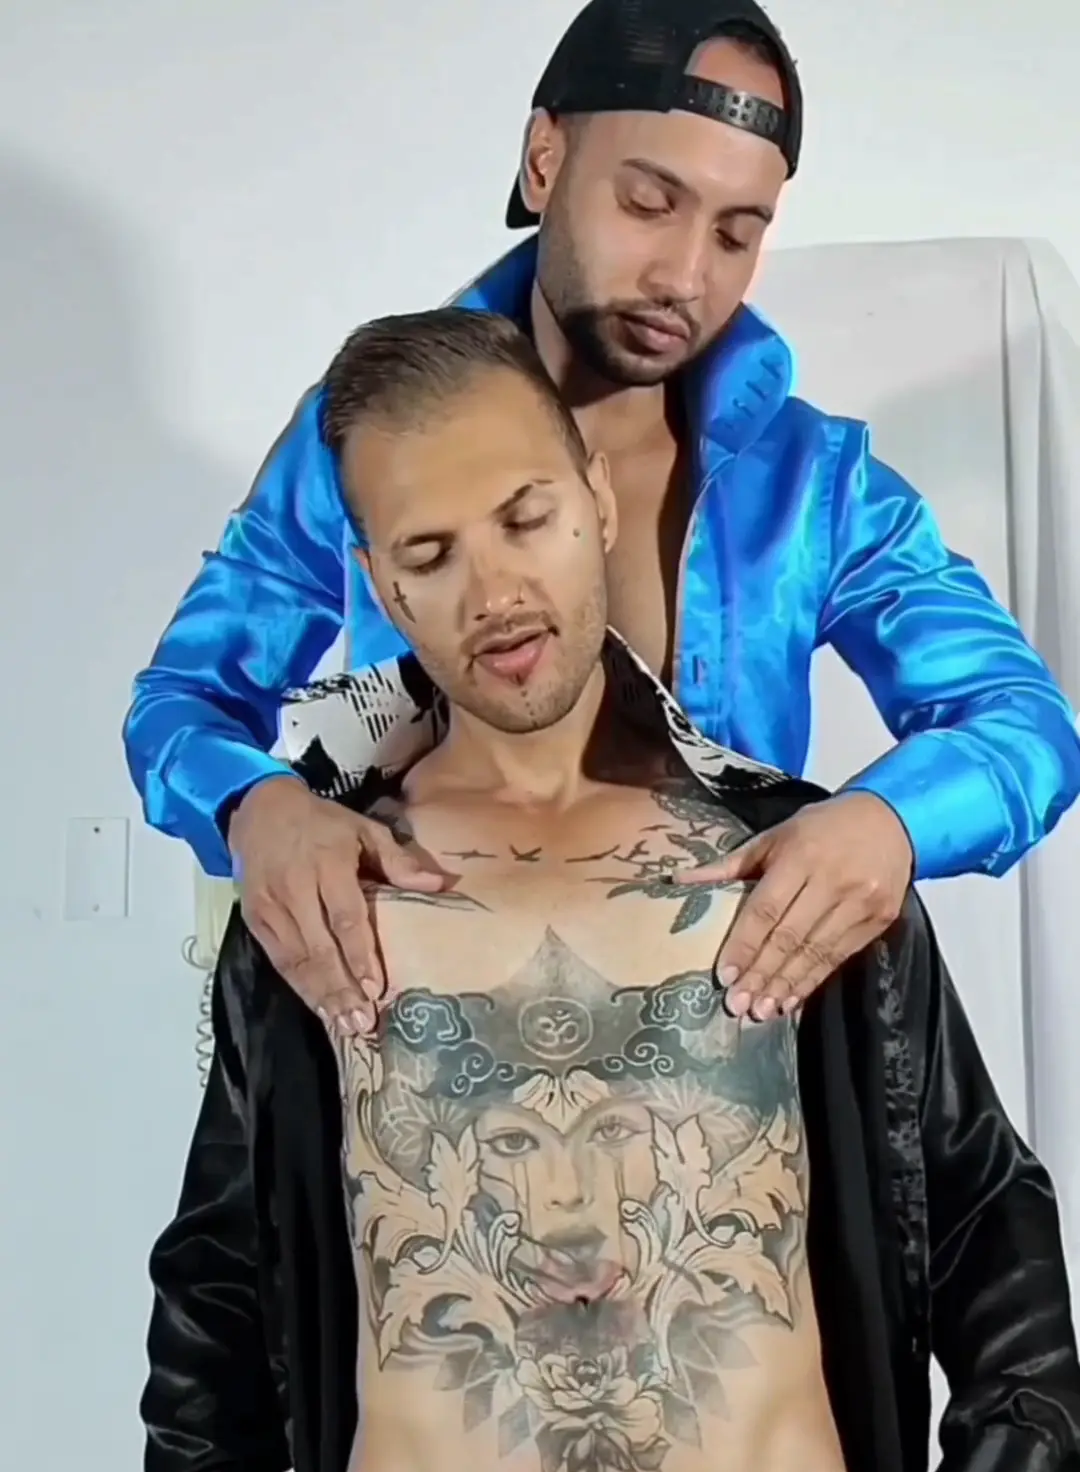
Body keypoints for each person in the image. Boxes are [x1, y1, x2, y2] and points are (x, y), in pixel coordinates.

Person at [128, 309, 1080, 1472]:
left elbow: (990, 1220)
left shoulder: (807, 862)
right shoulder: (317, 898)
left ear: (592, 494)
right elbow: (217, 1284)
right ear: (371, 582)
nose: (493, 587)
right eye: (427, 551)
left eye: (523, 517)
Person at [123, 0, 1080, 1052]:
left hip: (729, 1062)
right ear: (545, 161)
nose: (685, 276)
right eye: (648, 202)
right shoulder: (362, 445)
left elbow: (1024, 724)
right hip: (430, 1042)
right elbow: (183, 703)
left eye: (736, 233)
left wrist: (890, 822)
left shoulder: (815, 485)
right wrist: (256, 807)